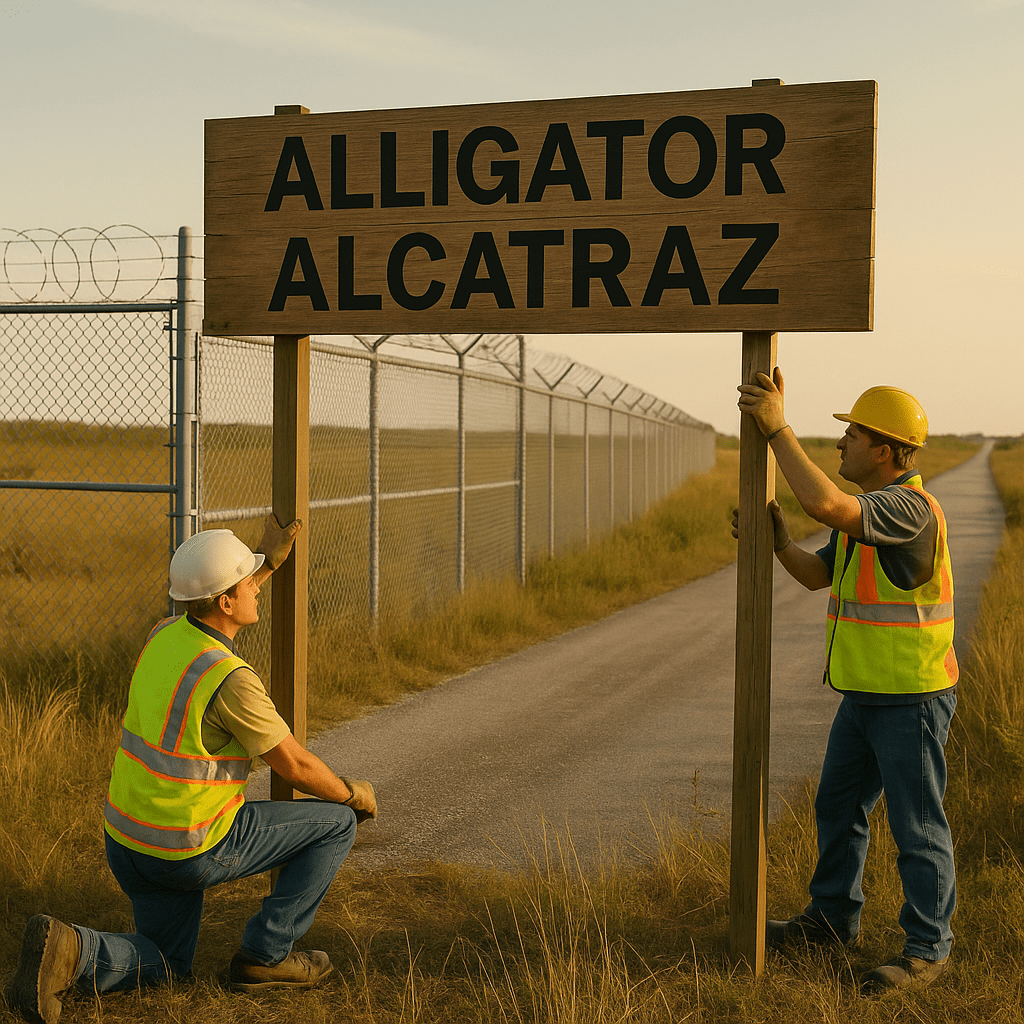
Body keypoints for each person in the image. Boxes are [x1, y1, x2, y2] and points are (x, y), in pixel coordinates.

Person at [9, 517, 377, 1024]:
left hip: (129, 842)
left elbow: (215, 607)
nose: (255, 586)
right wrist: (352, 793)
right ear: (226, 601)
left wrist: (265, 563)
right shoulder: (231, 681)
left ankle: (72, 951)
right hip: (188, 848)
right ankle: (266, 957)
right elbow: (293, 763)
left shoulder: (165, 635)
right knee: (335, 824)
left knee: (166, 965)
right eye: (247, 581)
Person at [735, 369, 957, 995]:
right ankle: (831, 920)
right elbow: (815, 575)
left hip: (910, 698)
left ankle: (927, 951)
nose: (842, 444)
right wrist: (780, 543)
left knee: (917, 827)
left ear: (884, 450)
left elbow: (825, 502)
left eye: (852, 434)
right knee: (837, 808)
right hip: (865, 695)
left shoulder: (908, 510)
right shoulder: (869, 517)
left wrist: (777, 427)